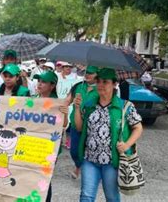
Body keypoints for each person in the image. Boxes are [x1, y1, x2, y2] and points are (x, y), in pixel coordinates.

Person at [74, 68, 143, 202]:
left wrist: (127, 145)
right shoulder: (89, 105)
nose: (100, 85)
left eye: (105, 82)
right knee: (86, 196)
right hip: (90, 159)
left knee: (111, 197)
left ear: (114, 84)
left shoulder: (125, 106)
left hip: (112, 162)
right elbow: (79, 127)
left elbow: (138, 128)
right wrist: (77, 108)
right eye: (98, 81)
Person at [33, 71, 69, 202]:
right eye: (39, 81)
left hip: (48, 148)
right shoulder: (32, 100)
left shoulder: (58, 104)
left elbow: (64, 125)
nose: (39, 84)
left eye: (43, 82)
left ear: (52, 85)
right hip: (31, 145)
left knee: (44, 178)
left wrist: (65, 113)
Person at [64, 66, 99, 180]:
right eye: (86, 72)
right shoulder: (78, 86)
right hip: (76, 125)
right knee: (74, 151)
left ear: (97, 75)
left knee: (90, 152)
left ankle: (89, 173)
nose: (87, 75)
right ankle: (78, 166)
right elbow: (66, 101)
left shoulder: (100, 89)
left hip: (93, 128)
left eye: (91, 73)